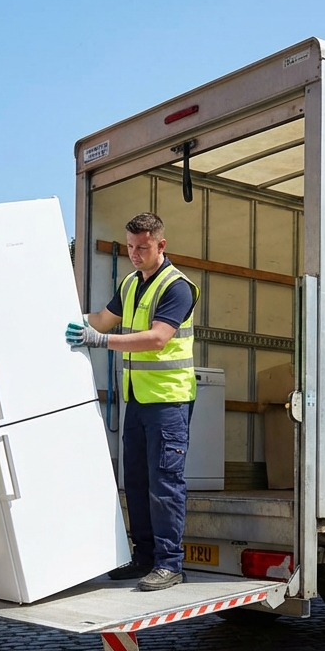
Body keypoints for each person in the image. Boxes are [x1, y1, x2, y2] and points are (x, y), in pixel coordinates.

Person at [66, 212, 198, 592]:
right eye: (129, 247)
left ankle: (169, 564)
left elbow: (157, 338)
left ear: (161, 245)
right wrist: (66, 320)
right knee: (136, 482)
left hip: (169, 402)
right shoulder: (130, 283)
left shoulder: (177, 287)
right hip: (138, 401)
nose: (135, 254)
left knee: (165, 484)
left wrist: (100, 341)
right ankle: (143, 556)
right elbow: (101, 320)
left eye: (142, 247)